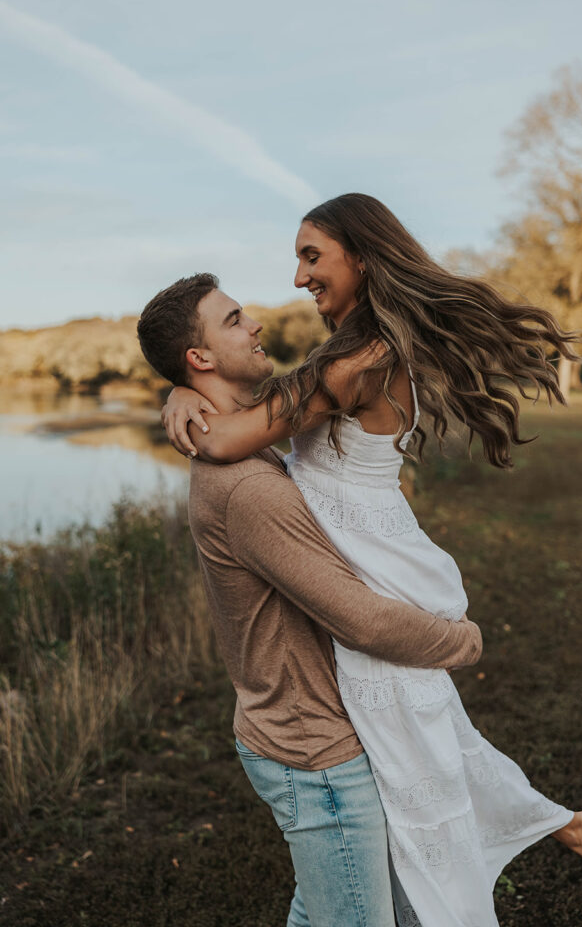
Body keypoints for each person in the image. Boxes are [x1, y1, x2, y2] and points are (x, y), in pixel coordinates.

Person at [162, 194, 582, 926]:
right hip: (378, 557)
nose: (296, 278)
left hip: (380, 567)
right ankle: (570, 829)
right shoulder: (351, 351)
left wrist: (181, 400)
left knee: (424, 791)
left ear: (362, 255)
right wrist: (176, 391)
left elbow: (224, 441)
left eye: (311, 255)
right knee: (434, 757)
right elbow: (249, 425)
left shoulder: (359, 358)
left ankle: (488, 877)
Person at [137, 273, 485, 927]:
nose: (256, 324)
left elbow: (302, 391)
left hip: (311, 734)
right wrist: (463, 642)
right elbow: (361, 619)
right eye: (235, 319)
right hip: (315, 756)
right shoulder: (246, 488)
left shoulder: (243, 437)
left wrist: (177, 391)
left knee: (340, 908)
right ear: (201, 356)